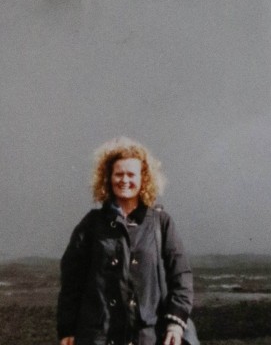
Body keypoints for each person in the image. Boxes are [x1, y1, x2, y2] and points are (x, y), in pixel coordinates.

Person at [57, 138, 194, 345]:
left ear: (144, 179)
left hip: (149, 337)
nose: (124, 180)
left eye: (131, 174)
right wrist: (67, 328)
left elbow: (181, 276)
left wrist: (175, 323)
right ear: (108, 178)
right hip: (99, 337)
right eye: (118, 174)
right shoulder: (91, 224)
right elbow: (71, 282)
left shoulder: (161, 222)